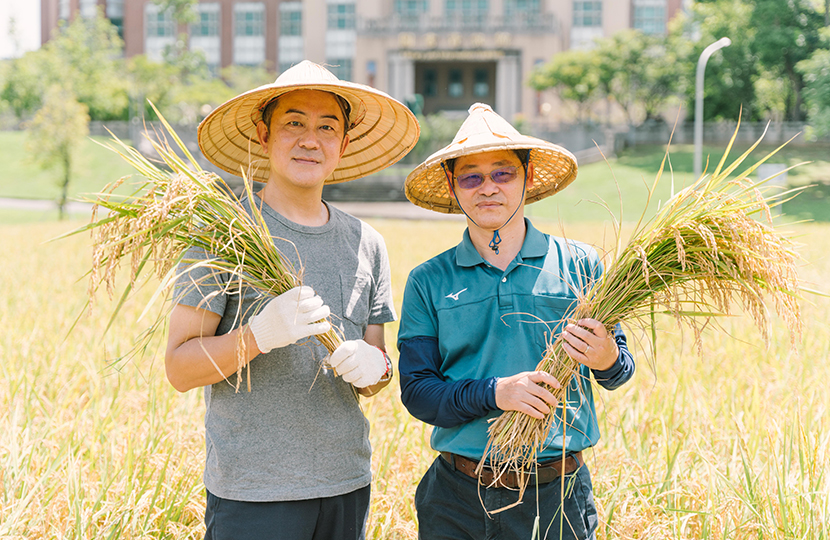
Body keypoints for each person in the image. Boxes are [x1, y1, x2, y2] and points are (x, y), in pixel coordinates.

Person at [165, 60, 419, 540]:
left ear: (344, 143)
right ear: (263, 135)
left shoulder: (367, 242)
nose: (310, 139)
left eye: (327, 127)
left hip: (346, 484)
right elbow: (179, 368)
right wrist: (259, 335)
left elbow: (377, 365)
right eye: (294, 123)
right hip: (253, 493)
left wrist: (377, 369)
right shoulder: (226, 234)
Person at [397, 103, 635, 540]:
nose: (487, 188)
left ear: (526, 177)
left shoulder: (581, 264)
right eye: (471, 176)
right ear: (453, 187)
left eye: (502, 173)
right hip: (455, 498)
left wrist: (606, 358)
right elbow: (417, 393)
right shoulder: (428, 280)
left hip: (556, 496)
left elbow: (619, 373)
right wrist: (497, 393)